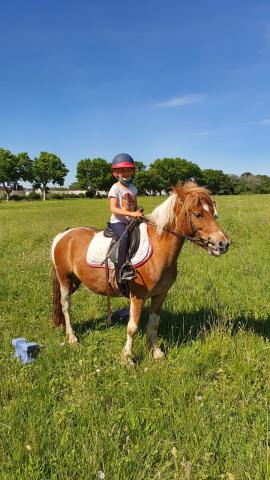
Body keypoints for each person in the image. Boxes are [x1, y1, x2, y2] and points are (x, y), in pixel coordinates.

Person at [107, 153, 143, 283]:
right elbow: (113, 209)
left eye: (129, 170)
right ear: (115, 173)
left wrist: (137, 212)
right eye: (122, 171)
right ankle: (122, 270)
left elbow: (134, 205)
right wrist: (133, 214)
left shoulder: (133, 188)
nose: (126, 173)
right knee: (125, 237)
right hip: (118, 222)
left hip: (131, 220)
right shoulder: (115, 188)